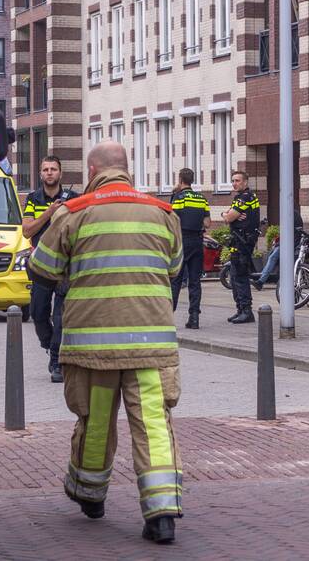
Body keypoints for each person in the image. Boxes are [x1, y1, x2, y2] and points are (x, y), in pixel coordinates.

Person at [28, 141, 184, 545]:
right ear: (127, 169)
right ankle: (162, 512)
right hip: (151, 343)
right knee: (153, 423)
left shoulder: (73, 212)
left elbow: (41, 270)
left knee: (96, 420)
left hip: (92, 346)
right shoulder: (163, 214)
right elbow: (174, 268)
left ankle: (89, 494)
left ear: (94, 170)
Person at [22, 156, 79, 383]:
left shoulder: (74, 199)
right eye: (45, 169)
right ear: (40, 173)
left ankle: (57, 360)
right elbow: (27, 231)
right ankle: (48, 343)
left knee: (61, 315)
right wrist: (49, 213)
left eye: (53, 169)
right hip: (41, 264)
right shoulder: (33, 199)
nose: (49, 173)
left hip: (65, 265)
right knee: (38, 311)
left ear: (60, 173)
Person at [169, 168, 211, 329]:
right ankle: (194, 318)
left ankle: (168, 317)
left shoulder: (179, 198)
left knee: (176, 281)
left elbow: (172, 219)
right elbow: (207, 223)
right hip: (197, 242)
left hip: (182, 241)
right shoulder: (201, 198)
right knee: (195, 281)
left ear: (180, 180)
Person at [221, 170, 260, 324]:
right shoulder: (247, 197)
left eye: (237, 180)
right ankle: (240, 309)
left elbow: (230, 217)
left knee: (240, 276)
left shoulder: (244, 197)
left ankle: (246, 311)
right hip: (239, 241)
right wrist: (229, 215)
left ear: (245, 182)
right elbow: (231, 216)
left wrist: (227, 215)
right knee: (235, 275)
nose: (234, 183)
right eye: (233, 180)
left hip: (242, 242)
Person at [252, 207, 303, 291]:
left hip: (288, 243)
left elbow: (288, 232)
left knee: (272, 257)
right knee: (272, 255)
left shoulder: (290, 215)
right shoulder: (295, 214)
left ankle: (261, 281)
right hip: (290, 242)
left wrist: (279, 243)